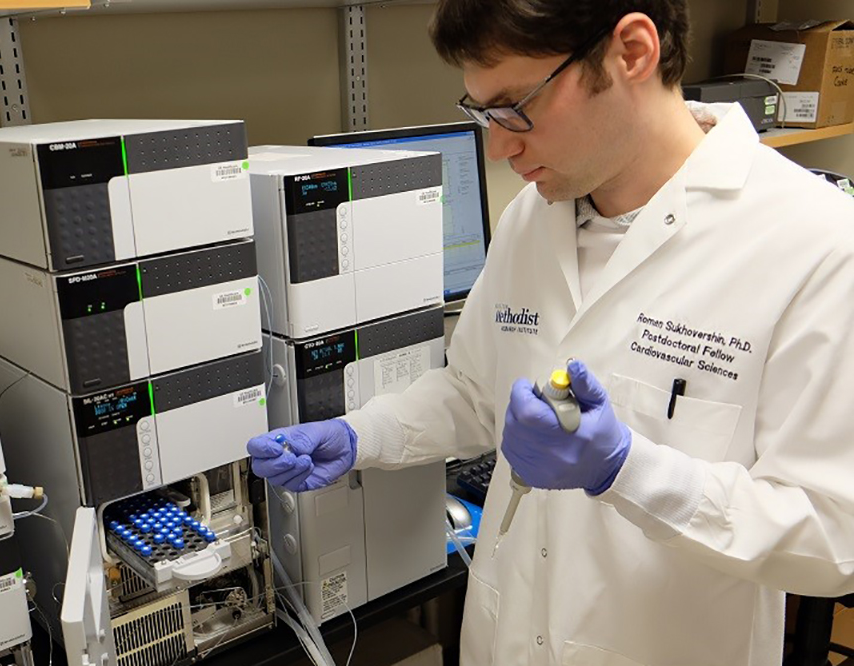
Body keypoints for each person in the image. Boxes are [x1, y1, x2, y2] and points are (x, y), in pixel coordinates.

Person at [246, 1, 854, 664]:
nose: (500, 148)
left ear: (631, 51)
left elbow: (831, 538)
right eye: (482, 113)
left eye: (516, 106)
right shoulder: (534, 220)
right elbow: (478, 392)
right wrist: (366, 433)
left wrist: (630, 470)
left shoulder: (814, 245)